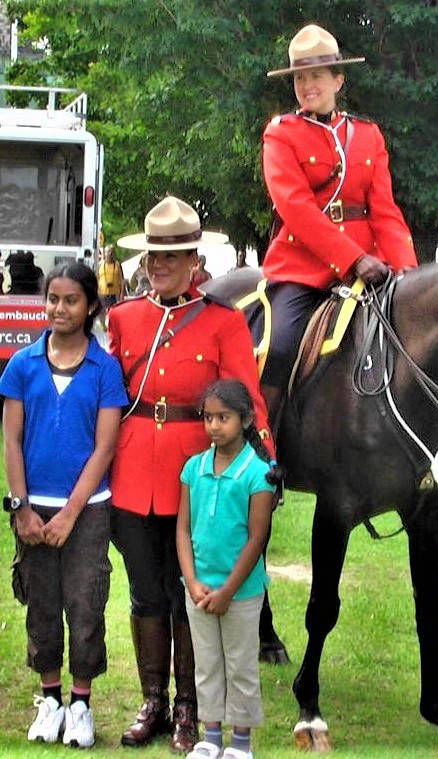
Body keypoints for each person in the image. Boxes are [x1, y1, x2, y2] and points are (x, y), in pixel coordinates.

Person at [108, 196, 274, 753]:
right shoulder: (125, 316)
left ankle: (189, 706)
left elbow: (245, 396)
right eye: (154, 255)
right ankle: (152, 699)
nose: (160, 265)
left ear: (193, 260)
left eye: (172, 256)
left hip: (198, 474)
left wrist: (263, 461)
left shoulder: (222, 321)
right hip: (132, 467)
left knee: (188, 594)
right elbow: (110, 397)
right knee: (145, 592)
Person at [260, 23, 418, 429]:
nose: (307, 85)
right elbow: (295, 209)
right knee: (277, 349)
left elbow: (384, 210)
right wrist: (352, 259)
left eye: (316, 75)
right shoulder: (281, 134)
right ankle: (264, 446)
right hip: (302, 268)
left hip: (374, 267)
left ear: (338, 79)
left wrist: (408, 271)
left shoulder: (367, 135)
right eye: (299, 77)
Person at [0, 262, 127, 748]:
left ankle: (80, 705)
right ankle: (49, 699)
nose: (59, 309)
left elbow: (105, 447)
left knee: (85, 603)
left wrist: (72, 513)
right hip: (33, 510)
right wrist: (22, 508)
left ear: (91, 305)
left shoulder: (104, 369)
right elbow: (11, 441)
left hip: (87, 511)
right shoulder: (23, 365)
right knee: (42, 605)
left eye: (71, 300)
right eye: (53, 299)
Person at [178, 380, 279, 759]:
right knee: (206, 665)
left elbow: (256, 539)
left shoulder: (257, 474)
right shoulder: (193, 469)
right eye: (209, 417)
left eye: (224, 417)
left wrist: (228, 592)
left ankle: (240, 742)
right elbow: (183, 530)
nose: (215, 425)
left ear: (246, 419)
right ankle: (210, 736)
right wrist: (192, 582)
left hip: (241, 594)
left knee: (239, 666)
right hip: (200, 590)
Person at [97, 244, 124, 326]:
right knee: (101, 312)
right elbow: (96, 278)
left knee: (113, 312)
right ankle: (103, 326)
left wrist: (122, 293)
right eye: (108, 251)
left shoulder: (117, 265)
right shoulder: (100, 264)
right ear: (104, 253)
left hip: (114, 294)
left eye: (112, 252)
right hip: (102, 292)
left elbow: (122, 280)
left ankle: (111, 326)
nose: (110, 253)